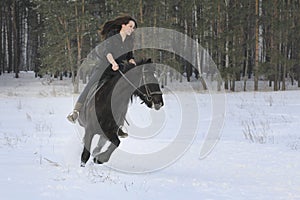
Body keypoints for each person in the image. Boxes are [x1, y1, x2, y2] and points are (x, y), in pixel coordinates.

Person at [67, 15, 137, 137]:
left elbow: (130, 56)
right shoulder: (112, 35)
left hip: (118, 69)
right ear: (123, 25)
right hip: (104, 66)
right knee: (90, 86)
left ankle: (118, 125)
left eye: (134, 27)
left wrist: (132, 62)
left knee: (123, 94)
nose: (132, 29)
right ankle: (76, 112)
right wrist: (113, 63)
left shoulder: (130, 41)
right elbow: (107, 52)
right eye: (130, 26)